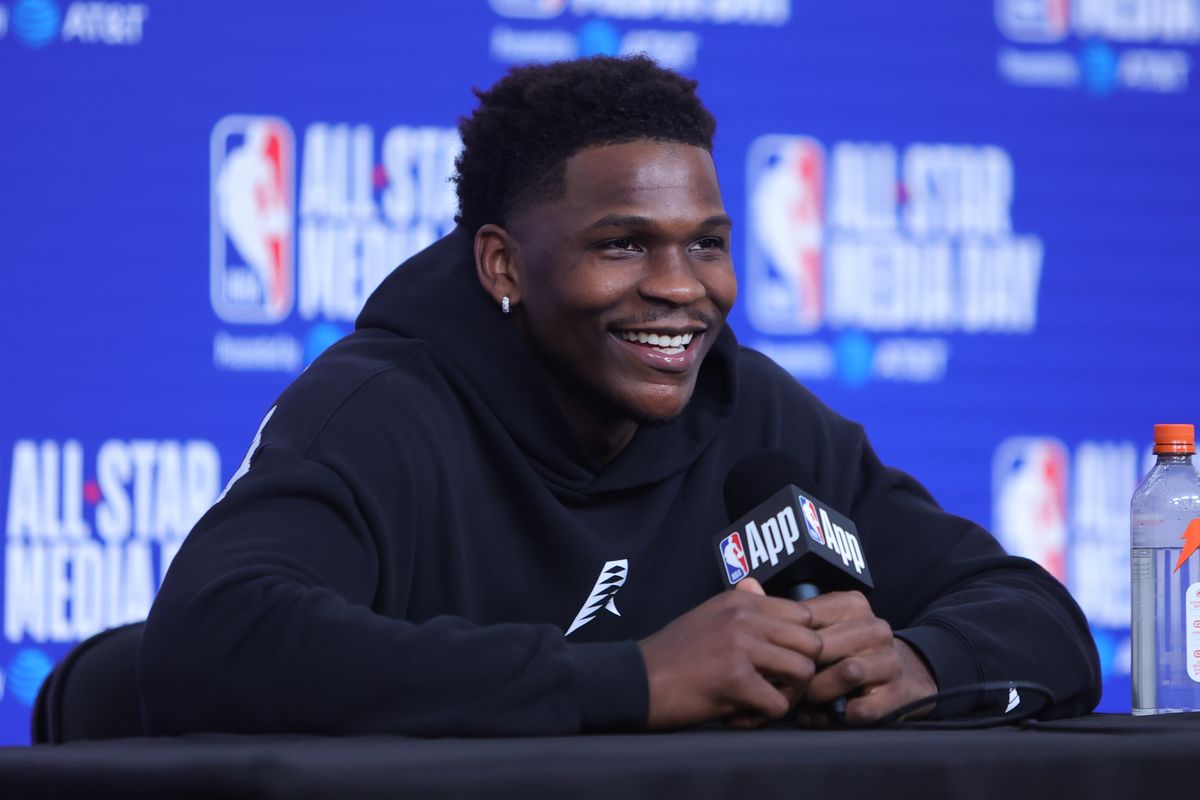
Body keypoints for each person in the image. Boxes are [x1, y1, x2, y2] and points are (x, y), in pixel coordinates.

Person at [138, 56, 1100, 736]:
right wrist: (638, 679)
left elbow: (1035, 614)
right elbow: (211, 642)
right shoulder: (382, 410)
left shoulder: (755, 415)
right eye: (625, 243)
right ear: (503, 262)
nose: (685, 287)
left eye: (708, 244)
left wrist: (920, 665)